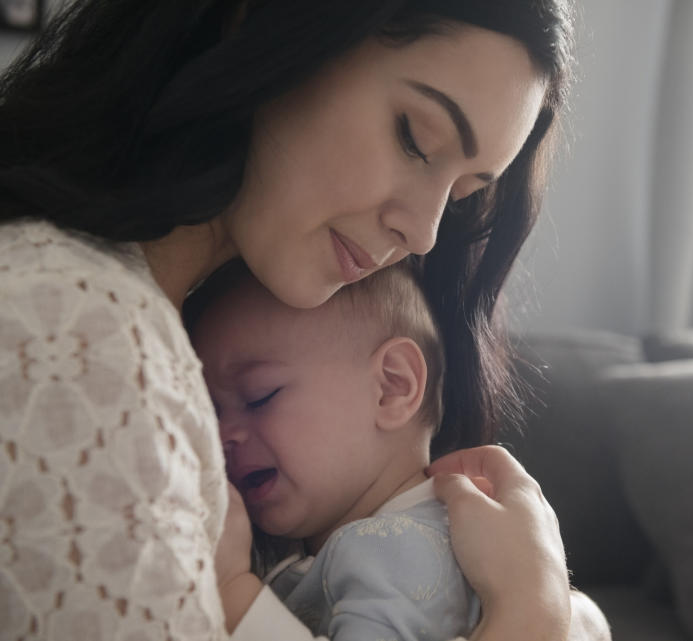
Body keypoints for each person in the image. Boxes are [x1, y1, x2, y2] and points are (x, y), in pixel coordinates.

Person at [0, 2, 610, 640]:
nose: (425, 232)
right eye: (414, 137)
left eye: (463, 196)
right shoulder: (74, 332)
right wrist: (532, 614)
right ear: (265, 23)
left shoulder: (160, 330)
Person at [188, 258, 477, 639]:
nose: (223, 434)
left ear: (391, 387)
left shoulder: (403, 548)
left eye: (260, 396)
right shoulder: (369, 541)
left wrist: (233, 593)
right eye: (213, 412)